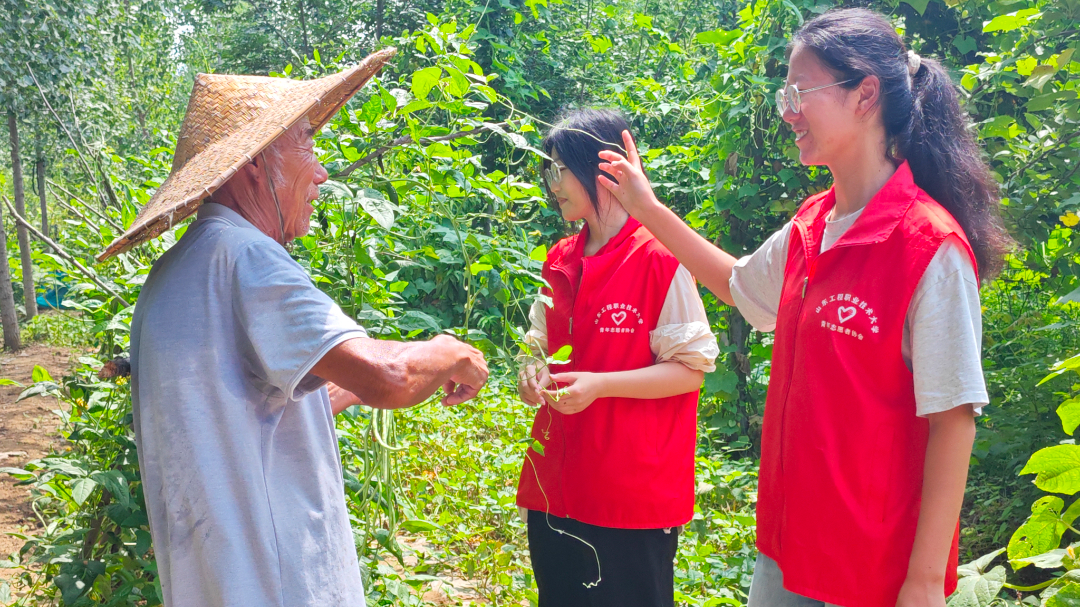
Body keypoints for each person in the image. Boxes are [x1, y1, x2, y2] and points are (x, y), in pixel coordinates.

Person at [596, 9, 1012, 607]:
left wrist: (922, 582)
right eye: (784, 93)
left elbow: (954, 419)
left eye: (800, 91)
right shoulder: (813, 224)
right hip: (787, 546)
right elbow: (739, 285)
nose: (787, 110)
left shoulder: (928, 246)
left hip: (874, 567)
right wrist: (647, 207)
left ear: (865, 93)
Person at [99, 51, 489, 607]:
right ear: (254, 163)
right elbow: (391, 376)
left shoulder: (175, 273)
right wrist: (446, 351)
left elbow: (243, 415)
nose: (323, 170)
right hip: (280, 587)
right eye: (306, 142)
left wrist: (351, 386)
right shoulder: (248, 257)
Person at [514, 109, 719, 607]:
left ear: (605, 168)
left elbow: (690, 370)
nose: (552, 181)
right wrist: (531, 371)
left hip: (631, 493)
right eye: (548, 168)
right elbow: (537, 342)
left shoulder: (660, 256)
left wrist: (602, 385)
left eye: (561, 167)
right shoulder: (561, 256)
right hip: (557, 483)